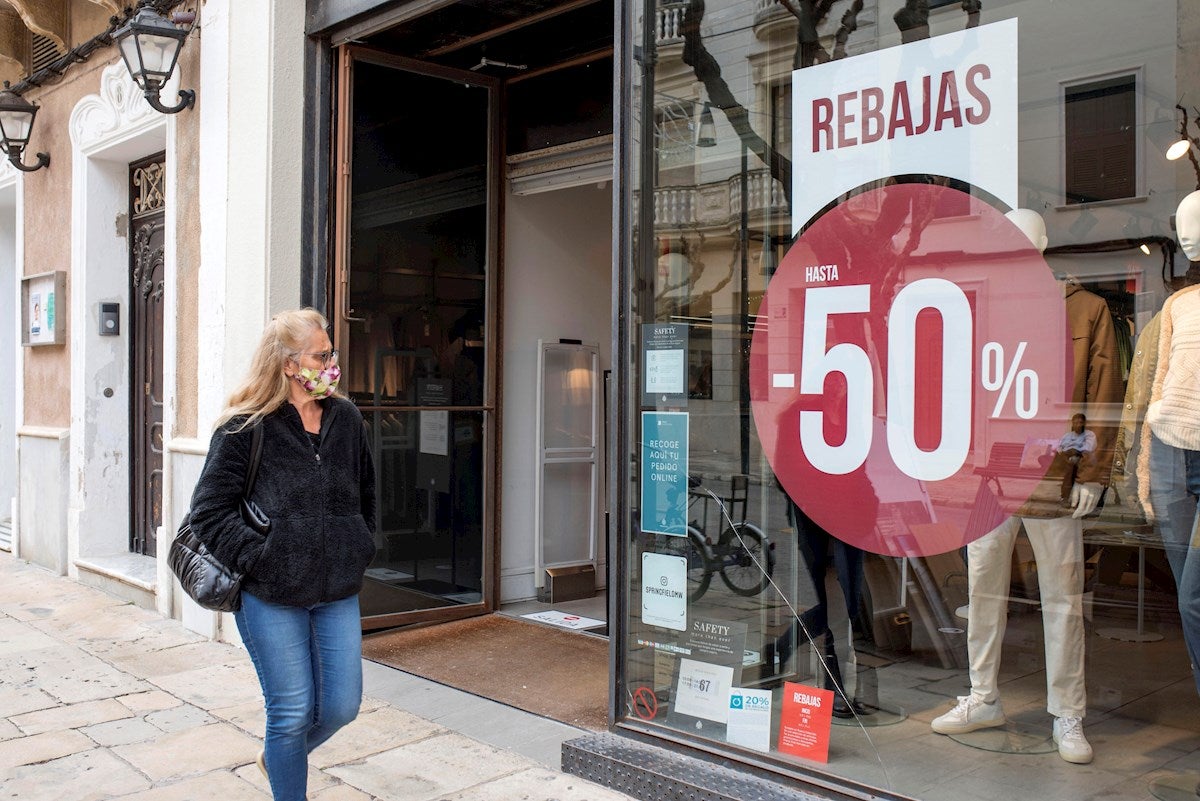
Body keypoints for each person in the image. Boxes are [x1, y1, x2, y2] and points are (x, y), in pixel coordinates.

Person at [931, 208, 1121, 765]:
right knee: (982, 590)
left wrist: (1092, 472)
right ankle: (983, 695)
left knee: (1061, 597)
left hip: (1051, 475)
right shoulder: (983, 307)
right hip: (991, 475)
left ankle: (1068, 712)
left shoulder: (1086, 310)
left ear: (1041, 244)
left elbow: (1102, 393)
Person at [187, 308, 377, 801]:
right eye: (322, 355)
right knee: (291, 711)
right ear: (291, 365)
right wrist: (262, 558)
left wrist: (358, 545)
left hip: (336, 589)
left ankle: (276, 757)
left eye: (331, 353)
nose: (332, 363)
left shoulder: (347, 419)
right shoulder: (246, 427)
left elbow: (366, 494)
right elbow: (209, 512)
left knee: (341, 706)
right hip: (270, 593)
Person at [1055, 413, 1097, 502]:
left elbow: (1089, 448)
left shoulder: (1089, 434)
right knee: (1068, 462)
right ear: (1072, 424)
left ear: (1085, 423)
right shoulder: (1067, 435)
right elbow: (1059, 447)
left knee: (1071, 466)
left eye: (1080, 422)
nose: (1078, 425)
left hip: (1082, 457)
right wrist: (1065, 453)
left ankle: (1065, 497)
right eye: (1075, 423)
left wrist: (1076, 451)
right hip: (1067, 457)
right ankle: (1065, 497)